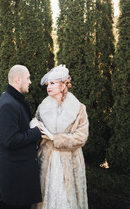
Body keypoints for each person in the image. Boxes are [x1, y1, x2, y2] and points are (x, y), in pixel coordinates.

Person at [32, 65, 89, 209]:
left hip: (69, 162)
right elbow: (36, 129)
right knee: (46, 198)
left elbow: (81, 137)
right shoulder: (42, 107)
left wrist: (55, 137)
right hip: (47, 161)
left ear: (63, 85)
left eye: (52, 83)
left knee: (67, 199)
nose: (48, 87)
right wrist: (34, 126)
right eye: (47, 84)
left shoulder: (79, 108)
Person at [0, 65, 43, 209]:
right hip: (17, 180)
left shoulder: (15, 100)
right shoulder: (8, 104)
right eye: (28, 78)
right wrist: (36, 132)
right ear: (18, 79)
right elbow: (10, 140)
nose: (30, 82)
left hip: (22, 175)